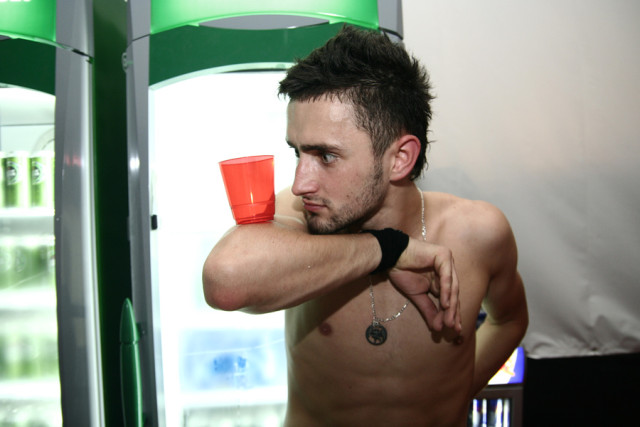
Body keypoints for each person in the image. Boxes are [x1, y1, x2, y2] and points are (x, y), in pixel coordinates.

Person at [203, 25, 528, 426]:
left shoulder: (478, 232)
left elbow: (510, 320)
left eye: (326, 156)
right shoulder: (302, 213)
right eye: (298, 153)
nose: (301, 183)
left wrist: (457, 393)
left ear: (400, 159)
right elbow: (225, 281)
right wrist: (387, 249)